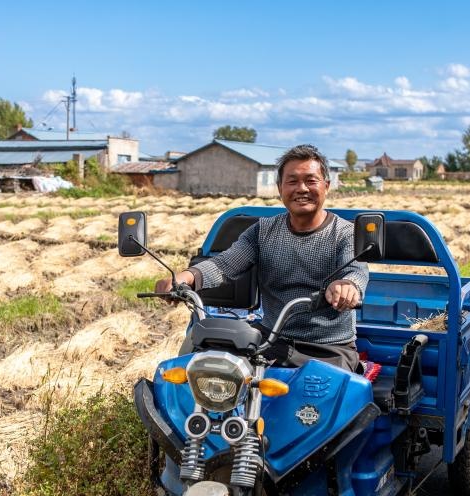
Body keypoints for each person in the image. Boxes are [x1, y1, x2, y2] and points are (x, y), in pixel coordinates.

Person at [155, 144, 368, 372]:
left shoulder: (347, 233)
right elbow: (225, 264)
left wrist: (347, 287)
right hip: (272, 339)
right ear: (280, 188)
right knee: (208, 373)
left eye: (311, 180)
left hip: (330, 349)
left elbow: (355, 271)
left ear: (326, 186)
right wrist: (186, 277)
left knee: (327, 401)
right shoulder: (263, 231)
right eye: (292, 181)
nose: (302, 188)